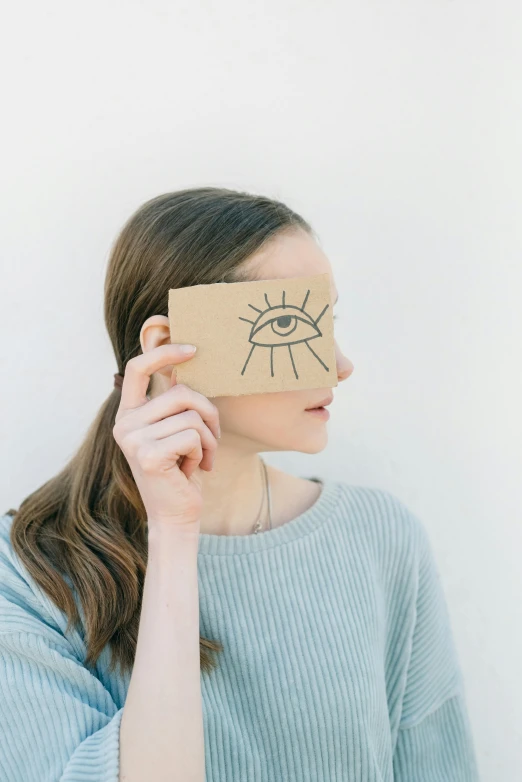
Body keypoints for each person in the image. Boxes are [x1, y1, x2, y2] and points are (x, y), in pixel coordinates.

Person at [0, 187, 480, 781]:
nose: (341, 364)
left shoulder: (382, 539)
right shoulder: (24, 575)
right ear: (169, 352)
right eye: (291, 323)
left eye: (327, 322)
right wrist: (174, 534)